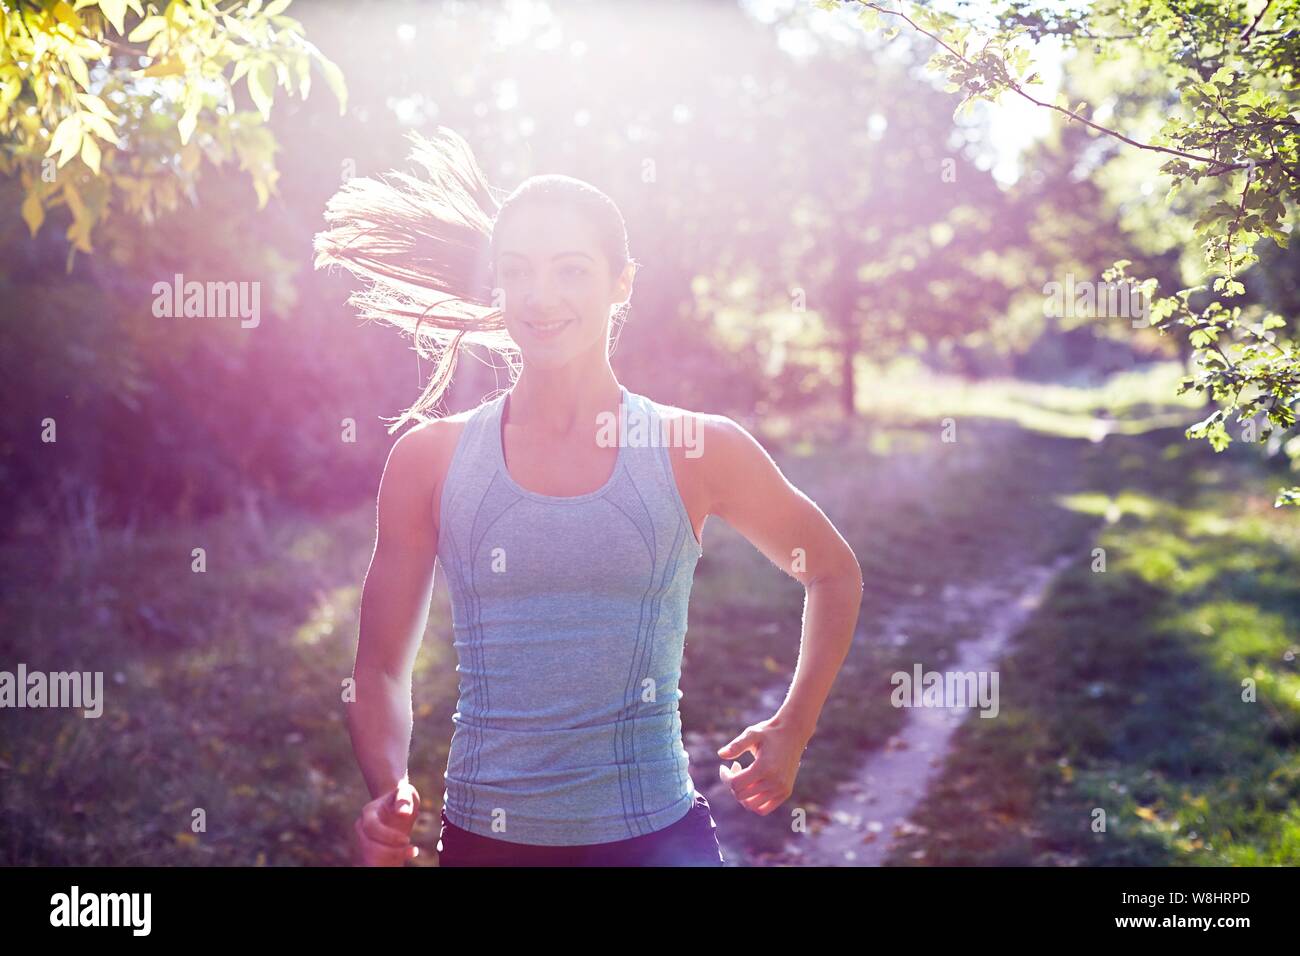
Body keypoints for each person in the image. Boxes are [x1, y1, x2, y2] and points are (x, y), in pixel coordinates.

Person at [314, 126, 864, 867]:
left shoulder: (695, 448)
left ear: (621, 282)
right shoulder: (429, 459)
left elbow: (832, 572)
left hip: (657, 843)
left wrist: (795, 726)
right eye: (519, 272)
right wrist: (387, 791)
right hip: (487, 844)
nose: (542, 298)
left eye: (572, 271)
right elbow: (379, 668)